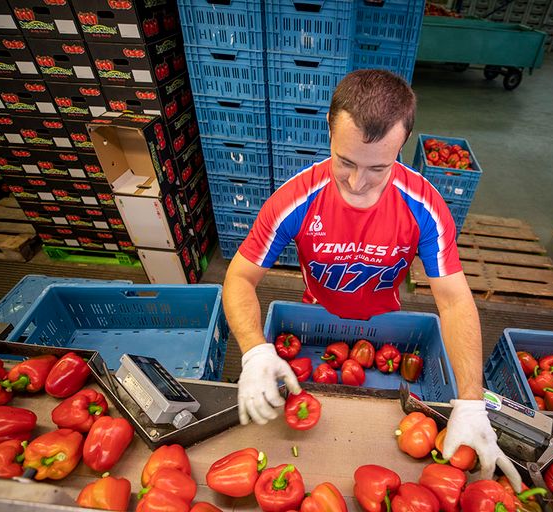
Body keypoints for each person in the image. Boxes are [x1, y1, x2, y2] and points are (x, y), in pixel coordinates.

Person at [223, 69, 521, 488]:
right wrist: (254, 351)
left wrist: (471, 401)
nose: (357, 181)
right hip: (319, 305)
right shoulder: (295, 199)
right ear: (329, 128)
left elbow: (454, 301)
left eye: (379, 167)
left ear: (402, 144)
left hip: (384, 312)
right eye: (344, 161)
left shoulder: (424, 207)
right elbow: (239, 276)